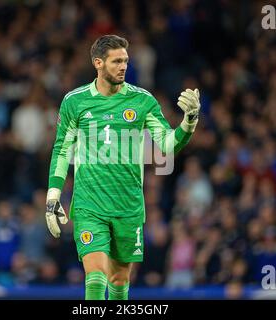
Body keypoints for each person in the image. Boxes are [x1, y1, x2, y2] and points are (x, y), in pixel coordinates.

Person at [45, 34, 200, 300]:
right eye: (116, 61)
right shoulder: (75, 101)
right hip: (89, 204)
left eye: (125, 61)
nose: (123, 66)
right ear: (98, 63)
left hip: (128, 206)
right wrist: (53, 195)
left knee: (119, 280)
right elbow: (61, 149)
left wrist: (189, 121)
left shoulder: (142, 101)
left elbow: (167, 145)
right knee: (95, 276)